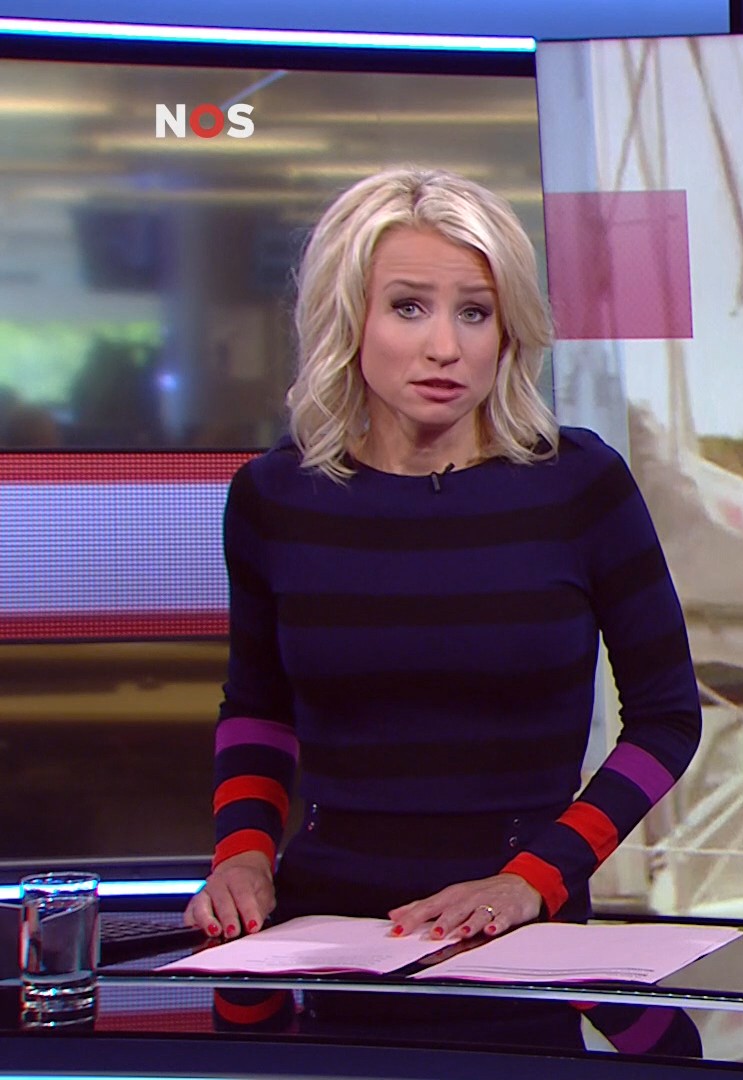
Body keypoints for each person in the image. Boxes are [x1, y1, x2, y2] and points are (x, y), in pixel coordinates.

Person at [182, 167, 702, 1055]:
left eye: (475, 312)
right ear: (348, 318)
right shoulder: (275, 497)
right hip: (327, 943)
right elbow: (259, 709)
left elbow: (667, 719)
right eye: (409, 307)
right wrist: (242, 854)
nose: (444, 348)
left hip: (523, 940)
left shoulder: (580, 486)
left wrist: (532, 880)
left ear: (508, 331)